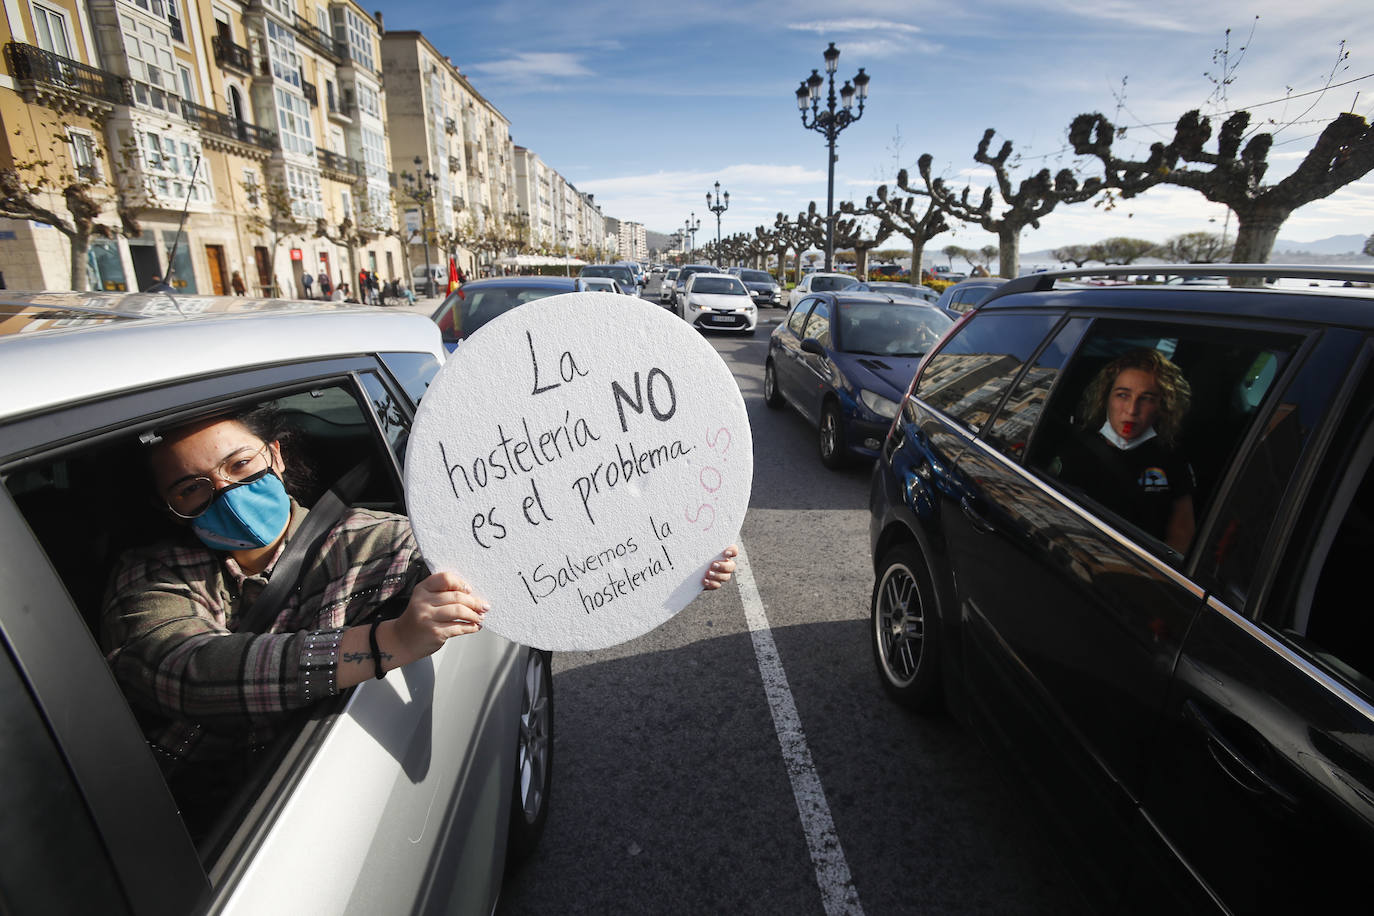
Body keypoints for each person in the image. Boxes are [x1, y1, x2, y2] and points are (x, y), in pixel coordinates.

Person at [100, 407, 738, 777]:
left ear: (276, 456)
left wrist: (673, 559)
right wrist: (381, 646)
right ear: (169, 507)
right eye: (192, 488)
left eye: (240, 465)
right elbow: (171, 668)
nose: (225, 492)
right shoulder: (153, 571)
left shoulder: (388, 543)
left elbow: (530, 567)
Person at [1050, 348, 1195, 553]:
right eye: (1122, 395)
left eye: (1146, 398)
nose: (1132, 410)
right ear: (1105, 398)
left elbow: (1182, 534)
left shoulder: (1171, 459)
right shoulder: (1074, 454)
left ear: (1162, 406)